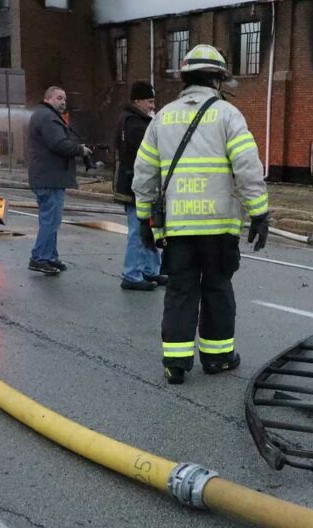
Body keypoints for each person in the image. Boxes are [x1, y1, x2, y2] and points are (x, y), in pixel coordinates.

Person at [132, 45, 269, 385]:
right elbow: (247, 168)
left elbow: (144, 174)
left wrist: (143, 220)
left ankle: (176, 364)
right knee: (218, 289)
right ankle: (218, 358)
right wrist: (260, 213)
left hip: (178, 228)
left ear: (186, 78)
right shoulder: (227, 115)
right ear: (216, 78)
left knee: (180, 291)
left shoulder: (162, 117)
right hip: (219, 226)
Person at [26, 86, 89, 275]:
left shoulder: (45, 115)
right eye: (59, 98)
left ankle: (50, 257)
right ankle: (40, 258)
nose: (62, 102)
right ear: (48, 99)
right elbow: (58, 144)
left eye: (64, 99)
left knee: (51, 220)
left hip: (48, 177)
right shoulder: (47, 117)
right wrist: (80, 150)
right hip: (49, 178)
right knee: (50, 220)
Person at [114, 81, 165, 291]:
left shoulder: (138, 121)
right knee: (138, 231)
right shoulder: (133, 124)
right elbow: (149, 152)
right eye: (150, 101)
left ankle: (150, 270)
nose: (153, 106)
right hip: (135, 187)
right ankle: (132, 274)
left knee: (150, 229)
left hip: (142, 185)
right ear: (138, 101)